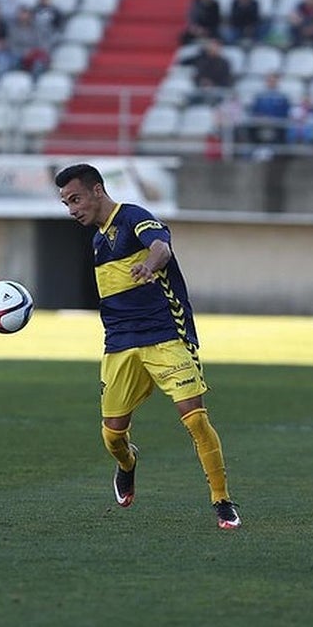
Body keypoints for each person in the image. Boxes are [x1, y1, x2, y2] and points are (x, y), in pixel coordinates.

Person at [53, 163, 241, 530]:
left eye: (76, 199)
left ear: (97, 190)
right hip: (120, 344)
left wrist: (149, 266)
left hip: (165, 334)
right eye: (66, 203)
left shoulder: (133, 217)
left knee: (196, 418)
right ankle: (127, 463)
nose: (72, 209)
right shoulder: (97, 242)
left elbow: (161, 247)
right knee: (112, 435)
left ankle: (221, 500)